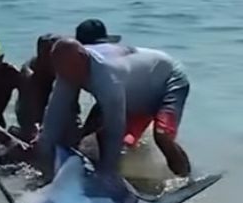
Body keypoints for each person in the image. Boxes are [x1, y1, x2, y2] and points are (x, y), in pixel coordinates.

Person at [39, 38, 192, 178]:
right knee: (125, 144)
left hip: (169, 82)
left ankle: (186, 178)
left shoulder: (108, 77)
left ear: (83, 59)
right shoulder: (67, 67)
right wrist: (43, 152)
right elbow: (55, 114)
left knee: (162, 136)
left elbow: (114, 131)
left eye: (70, 70)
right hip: (136, 95)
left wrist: (107, 174)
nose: (67, 77)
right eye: (61, 71)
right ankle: (136, 179)